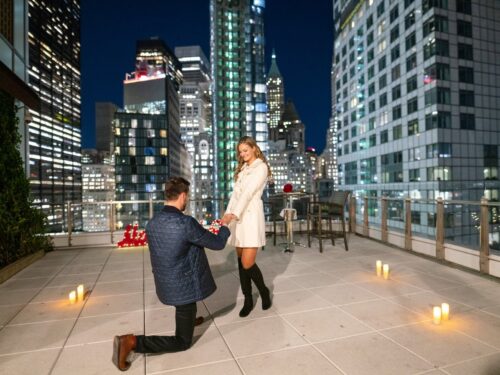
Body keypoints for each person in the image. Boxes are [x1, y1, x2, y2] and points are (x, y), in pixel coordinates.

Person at [113, 177, 234, 371]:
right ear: (183, 196)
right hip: (183, 286)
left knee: (185, 305)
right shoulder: (185, 223)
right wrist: (225, 224)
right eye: (187, 197)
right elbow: (217, 244)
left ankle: (189, 318)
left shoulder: (153, 223)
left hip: (166, 282)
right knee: (183, 342)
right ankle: (132, 342)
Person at [225, 136, 272, 317]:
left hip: (250, 217)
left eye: (246, 150)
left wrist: (233, 214)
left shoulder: (261, 167)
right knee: (240, 262)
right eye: (240, 152)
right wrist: (227, 213)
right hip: (238, 218)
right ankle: (248, 299)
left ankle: (263, 291)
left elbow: (248, 193)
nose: (243, 154)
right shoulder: (243, 168)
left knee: (247, 262)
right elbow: (236, 194)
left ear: (254, 148)